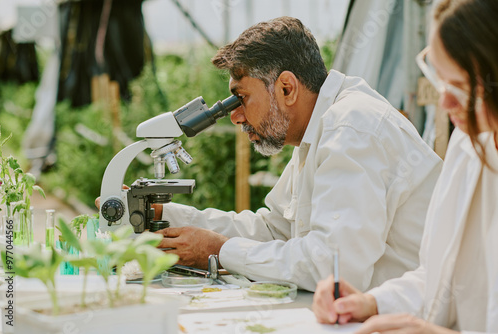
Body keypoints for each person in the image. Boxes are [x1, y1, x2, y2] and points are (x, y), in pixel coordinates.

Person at [148, 16, 442, 292]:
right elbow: (276, 231)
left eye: (242, 98)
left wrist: (220, 250)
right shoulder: (320, 130)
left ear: (287, 88)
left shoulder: (351, 128)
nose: (235, 117)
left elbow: (333, 269)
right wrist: (168, 216)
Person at [312, 0, 498, 331]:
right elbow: (441, 276)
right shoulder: (469, 143)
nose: (444, 102)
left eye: (460, 87)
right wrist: (373, 302)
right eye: (437, 77)